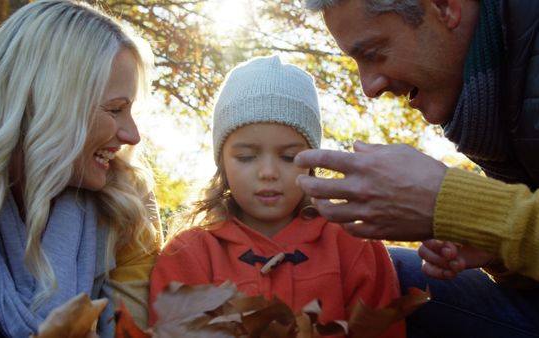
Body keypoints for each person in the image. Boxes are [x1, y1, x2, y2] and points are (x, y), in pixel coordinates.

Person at [295, 0, 539, 337]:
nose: (369, 87)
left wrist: (476, 212)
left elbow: (518, 222)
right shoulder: (491, 102)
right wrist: (494, 250)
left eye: (374, 52)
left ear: (443, 7)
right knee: (371, 273)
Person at [148, 55, 405, 337]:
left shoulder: (354, 245)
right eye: (246, 157)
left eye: (288, 156)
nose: (268, 172)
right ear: (222, 161)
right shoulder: (189, 254)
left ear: (312, 160)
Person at [0, 1, 162, 337]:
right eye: (116, 109)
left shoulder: (126, 202)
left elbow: (129, 331)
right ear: (48, 103)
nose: (132, 135)